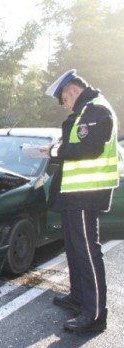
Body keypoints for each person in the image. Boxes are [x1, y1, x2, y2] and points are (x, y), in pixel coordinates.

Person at [44, 69, 119, 333]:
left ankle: (95, 314)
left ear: (72, 91)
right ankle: (78, 297)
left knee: (87, 252)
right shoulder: (86, 111)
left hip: (86, 194)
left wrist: (57, 150)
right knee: (75, 249)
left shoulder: (96, 110)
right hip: (75, 194)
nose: (64, 104)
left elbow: (90, 149)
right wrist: (57, 150)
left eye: (64, 99)